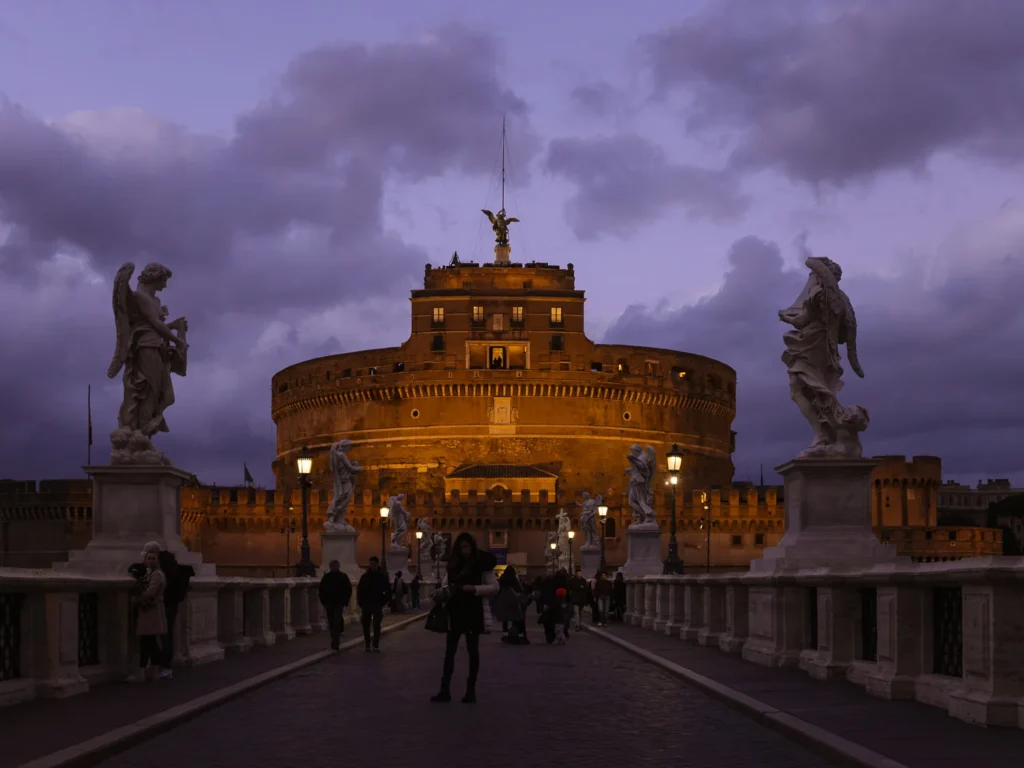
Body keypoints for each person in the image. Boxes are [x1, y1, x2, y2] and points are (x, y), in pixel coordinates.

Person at [430, 532, 498, 704]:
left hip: (473, 612)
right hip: (455, 612)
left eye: (466, 546)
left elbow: (494, 587)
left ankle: (470, 691)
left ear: (472, 546)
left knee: (473, 652)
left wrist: (474, 589)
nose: (463, 550)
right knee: (449, 653)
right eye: (461, 547)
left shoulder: (482, 563)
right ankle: (444, 690)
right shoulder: (453, 566)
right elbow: (446, 584)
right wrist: (442, 592)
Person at [134, 543, 169, 679]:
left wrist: (136, 599)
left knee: (147, 642)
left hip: (151, 612)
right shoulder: (152, 574)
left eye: (154, 558)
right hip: (150, 612)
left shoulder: (157, 575)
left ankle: (143, 671)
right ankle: (153, 671)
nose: (151, 561)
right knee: (149, 642)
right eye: (149, 558)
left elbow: (150, 592)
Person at [157, 549, 194, 677]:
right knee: (168, 635)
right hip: (173, 606)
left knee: (162, 637)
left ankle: (162, 665)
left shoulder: (162, 574)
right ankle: (166, 665)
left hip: (161, 606)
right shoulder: (179, 572)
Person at [357, 557, 391, 652]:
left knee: (376, 625)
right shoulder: (364, 577)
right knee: (365, 625)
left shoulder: (382, 577)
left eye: (374, 564)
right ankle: (367, 644)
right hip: (366, 604)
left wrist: (382, 602)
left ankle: (375, 644)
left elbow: (388, 590)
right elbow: (360, 590)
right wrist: (361, 602)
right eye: (370, 563)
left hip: (377, 604)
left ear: (377, 564)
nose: (372, 565)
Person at [319, 560, 353, 650]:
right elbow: (321, 590)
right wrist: (323, 602)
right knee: (331, 621)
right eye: (333, 566)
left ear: (338, 566)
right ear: (330, 567)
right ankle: (334, 638)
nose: (334, 567)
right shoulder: (326, 577)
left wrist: (345, 601)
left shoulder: (343, 576)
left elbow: (348, 589)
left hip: (338, 603)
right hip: (329, 603)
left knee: (336, 620)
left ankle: (335, 641)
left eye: (336, 566)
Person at [495, 565, 527, 644]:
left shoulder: (502, 579)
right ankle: (516, 633)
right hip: (513, 598)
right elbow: (519, 588)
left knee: (505, 619)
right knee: (516, 617)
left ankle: (505, 634)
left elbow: (497, 589)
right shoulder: (514, 578)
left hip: (503, 600)